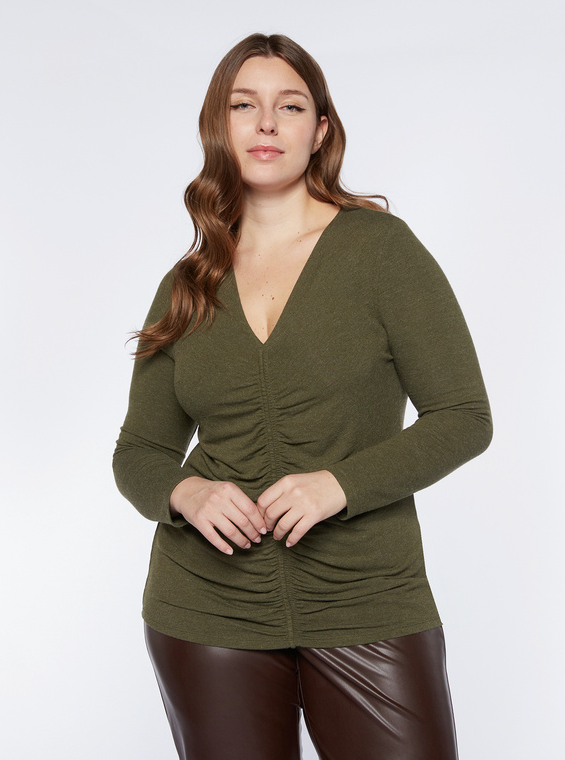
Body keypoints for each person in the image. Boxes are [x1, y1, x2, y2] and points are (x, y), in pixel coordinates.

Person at [113, 33, 492, 760]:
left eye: (289, 106)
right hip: (205, 609)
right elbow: (140, 451)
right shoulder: (188, 283)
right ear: (218, 125)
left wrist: (339, 485)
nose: (265, 123)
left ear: (319, 131)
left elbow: (464, 417)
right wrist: (186, 494)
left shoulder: (382, 251)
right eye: (243, 105)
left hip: (367, 598)